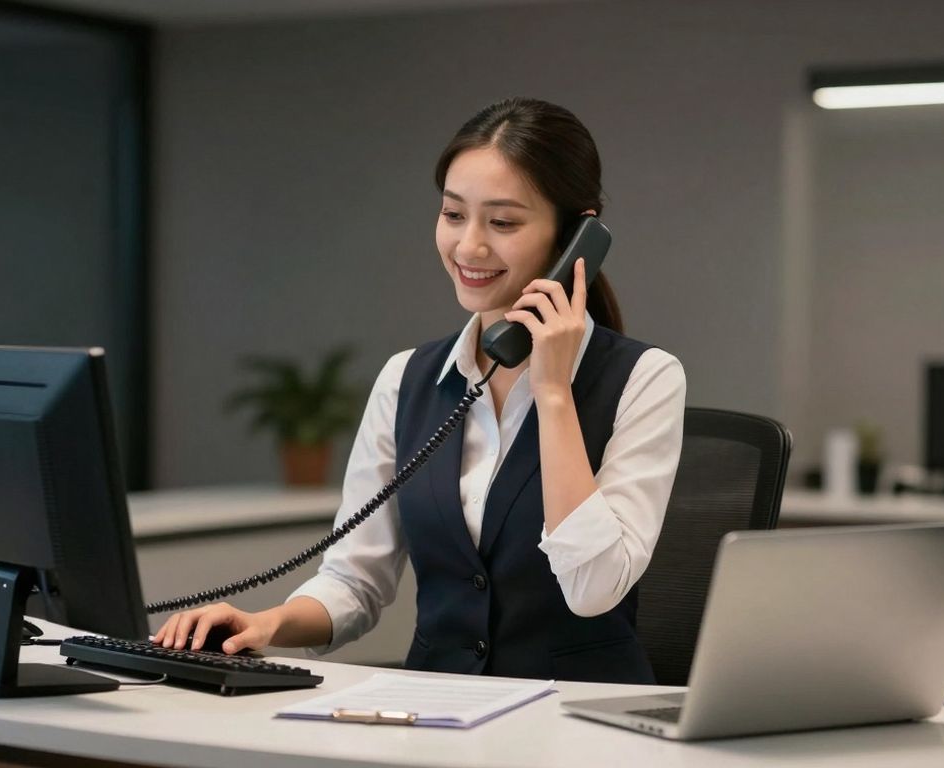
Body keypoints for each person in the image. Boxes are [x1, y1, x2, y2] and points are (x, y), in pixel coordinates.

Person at [153, 97, 686, 683]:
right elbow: (355, 580)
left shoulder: (645, 378)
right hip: (439, 709)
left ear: (576, 236)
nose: (469, 247)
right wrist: (267, 623)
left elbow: (592, 590)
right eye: (453, 214)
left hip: (578, 715)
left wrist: (554, 392)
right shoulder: (406, 379)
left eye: (503, 223)